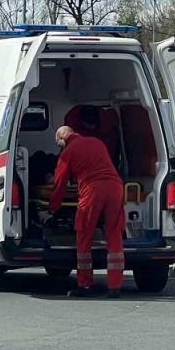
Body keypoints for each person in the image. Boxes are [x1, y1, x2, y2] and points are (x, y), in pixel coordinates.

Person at [44, 125, 125, 298]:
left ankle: (85, 284)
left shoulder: (67, 152)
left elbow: (59, 184)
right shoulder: (97, 142)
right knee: (114, 234)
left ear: (62, 140)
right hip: (116, 187)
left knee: (84, 234)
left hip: (92, 190)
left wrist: (53, 208)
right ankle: (115, 286)